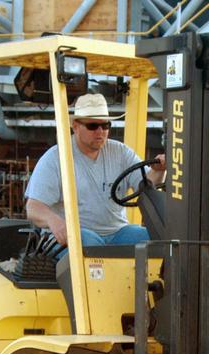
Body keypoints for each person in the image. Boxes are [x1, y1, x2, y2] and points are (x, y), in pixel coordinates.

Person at [24, 93, 165, 249]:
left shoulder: (121, 152)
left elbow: (146, 185)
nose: (100, 131)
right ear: (75, 126)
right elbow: (33, 207)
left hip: (118, 233)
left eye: (105, 125)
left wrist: (158, 170)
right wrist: (53, 221)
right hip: (75, 235)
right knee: (90, 242)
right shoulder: (55, 158)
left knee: (159, 239)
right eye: (92, 126)